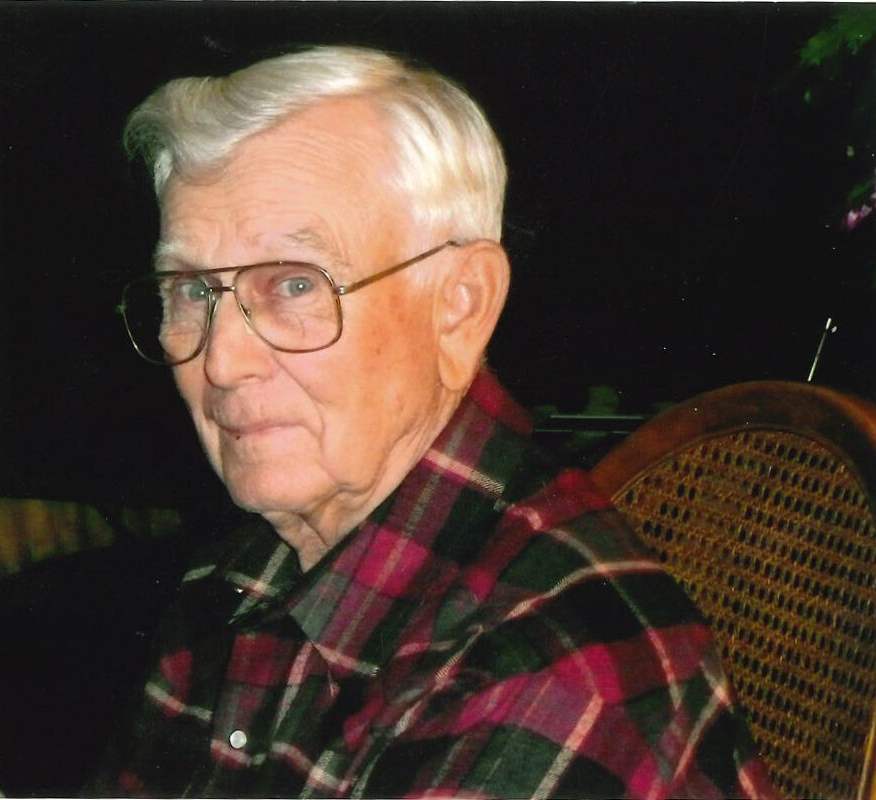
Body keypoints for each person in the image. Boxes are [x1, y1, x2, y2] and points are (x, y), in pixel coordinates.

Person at [97, 45, 775, 798]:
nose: (222, 361)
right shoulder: (236, 581)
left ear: (460, 305)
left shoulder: (550, 673)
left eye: (293, 285)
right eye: (191, 291)